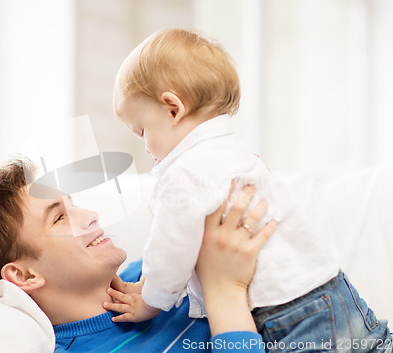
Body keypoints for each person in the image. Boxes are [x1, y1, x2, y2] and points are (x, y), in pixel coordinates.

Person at [111, 27, 392, 352]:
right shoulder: (234, 151)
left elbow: (170, 250)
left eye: (142, 130)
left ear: (173, 108)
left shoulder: (182, 173)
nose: (145, 147)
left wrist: (150, 303)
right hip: (334, 288)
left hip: (289, 313)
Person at [0, 159, 277, 353]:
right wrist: (225, 293)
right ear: (24, 277)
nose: (90, 215)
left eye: (73, 203)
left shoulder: (158, 272)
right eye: (59, 217)